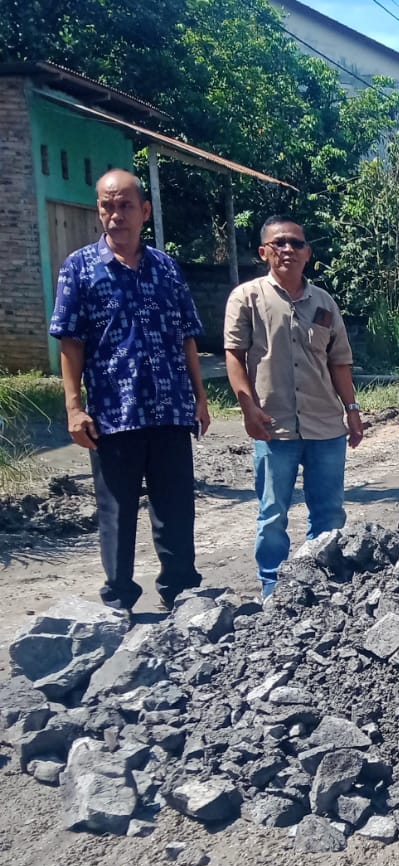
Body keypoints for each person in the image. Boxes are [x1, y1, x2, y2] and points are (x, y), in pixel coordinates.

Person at [49, 168, 209, 616]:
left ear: (145, 211)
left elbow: (186, 337)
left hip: (171, 407)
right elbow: (70, 342)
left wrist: (199, 396)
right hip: (112, 412)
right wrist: (74, 408)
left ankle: (181, 590)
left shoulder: (166, 268)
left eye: (124, 205)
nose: (115, 214)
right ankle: (119, 599)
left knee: (175, 504)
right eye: (107, 205)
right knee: (117, 512)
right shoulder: (79, 268)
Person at [224, 215, 364, 598]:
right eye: (279, 243)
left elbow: (339, 362)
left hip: (325, 426)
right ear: (263, 252)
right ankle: (273, 588)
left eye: (296, 244)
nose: (288, 250)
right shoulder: (248, 298)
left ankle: (324, 583)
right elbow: (234, 356)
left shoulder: (323, 302)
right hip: (274, 426)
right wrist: (248, 408)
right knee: (272, 515)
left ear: (308, 253)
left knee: (330, 514)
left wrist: (351, 409)